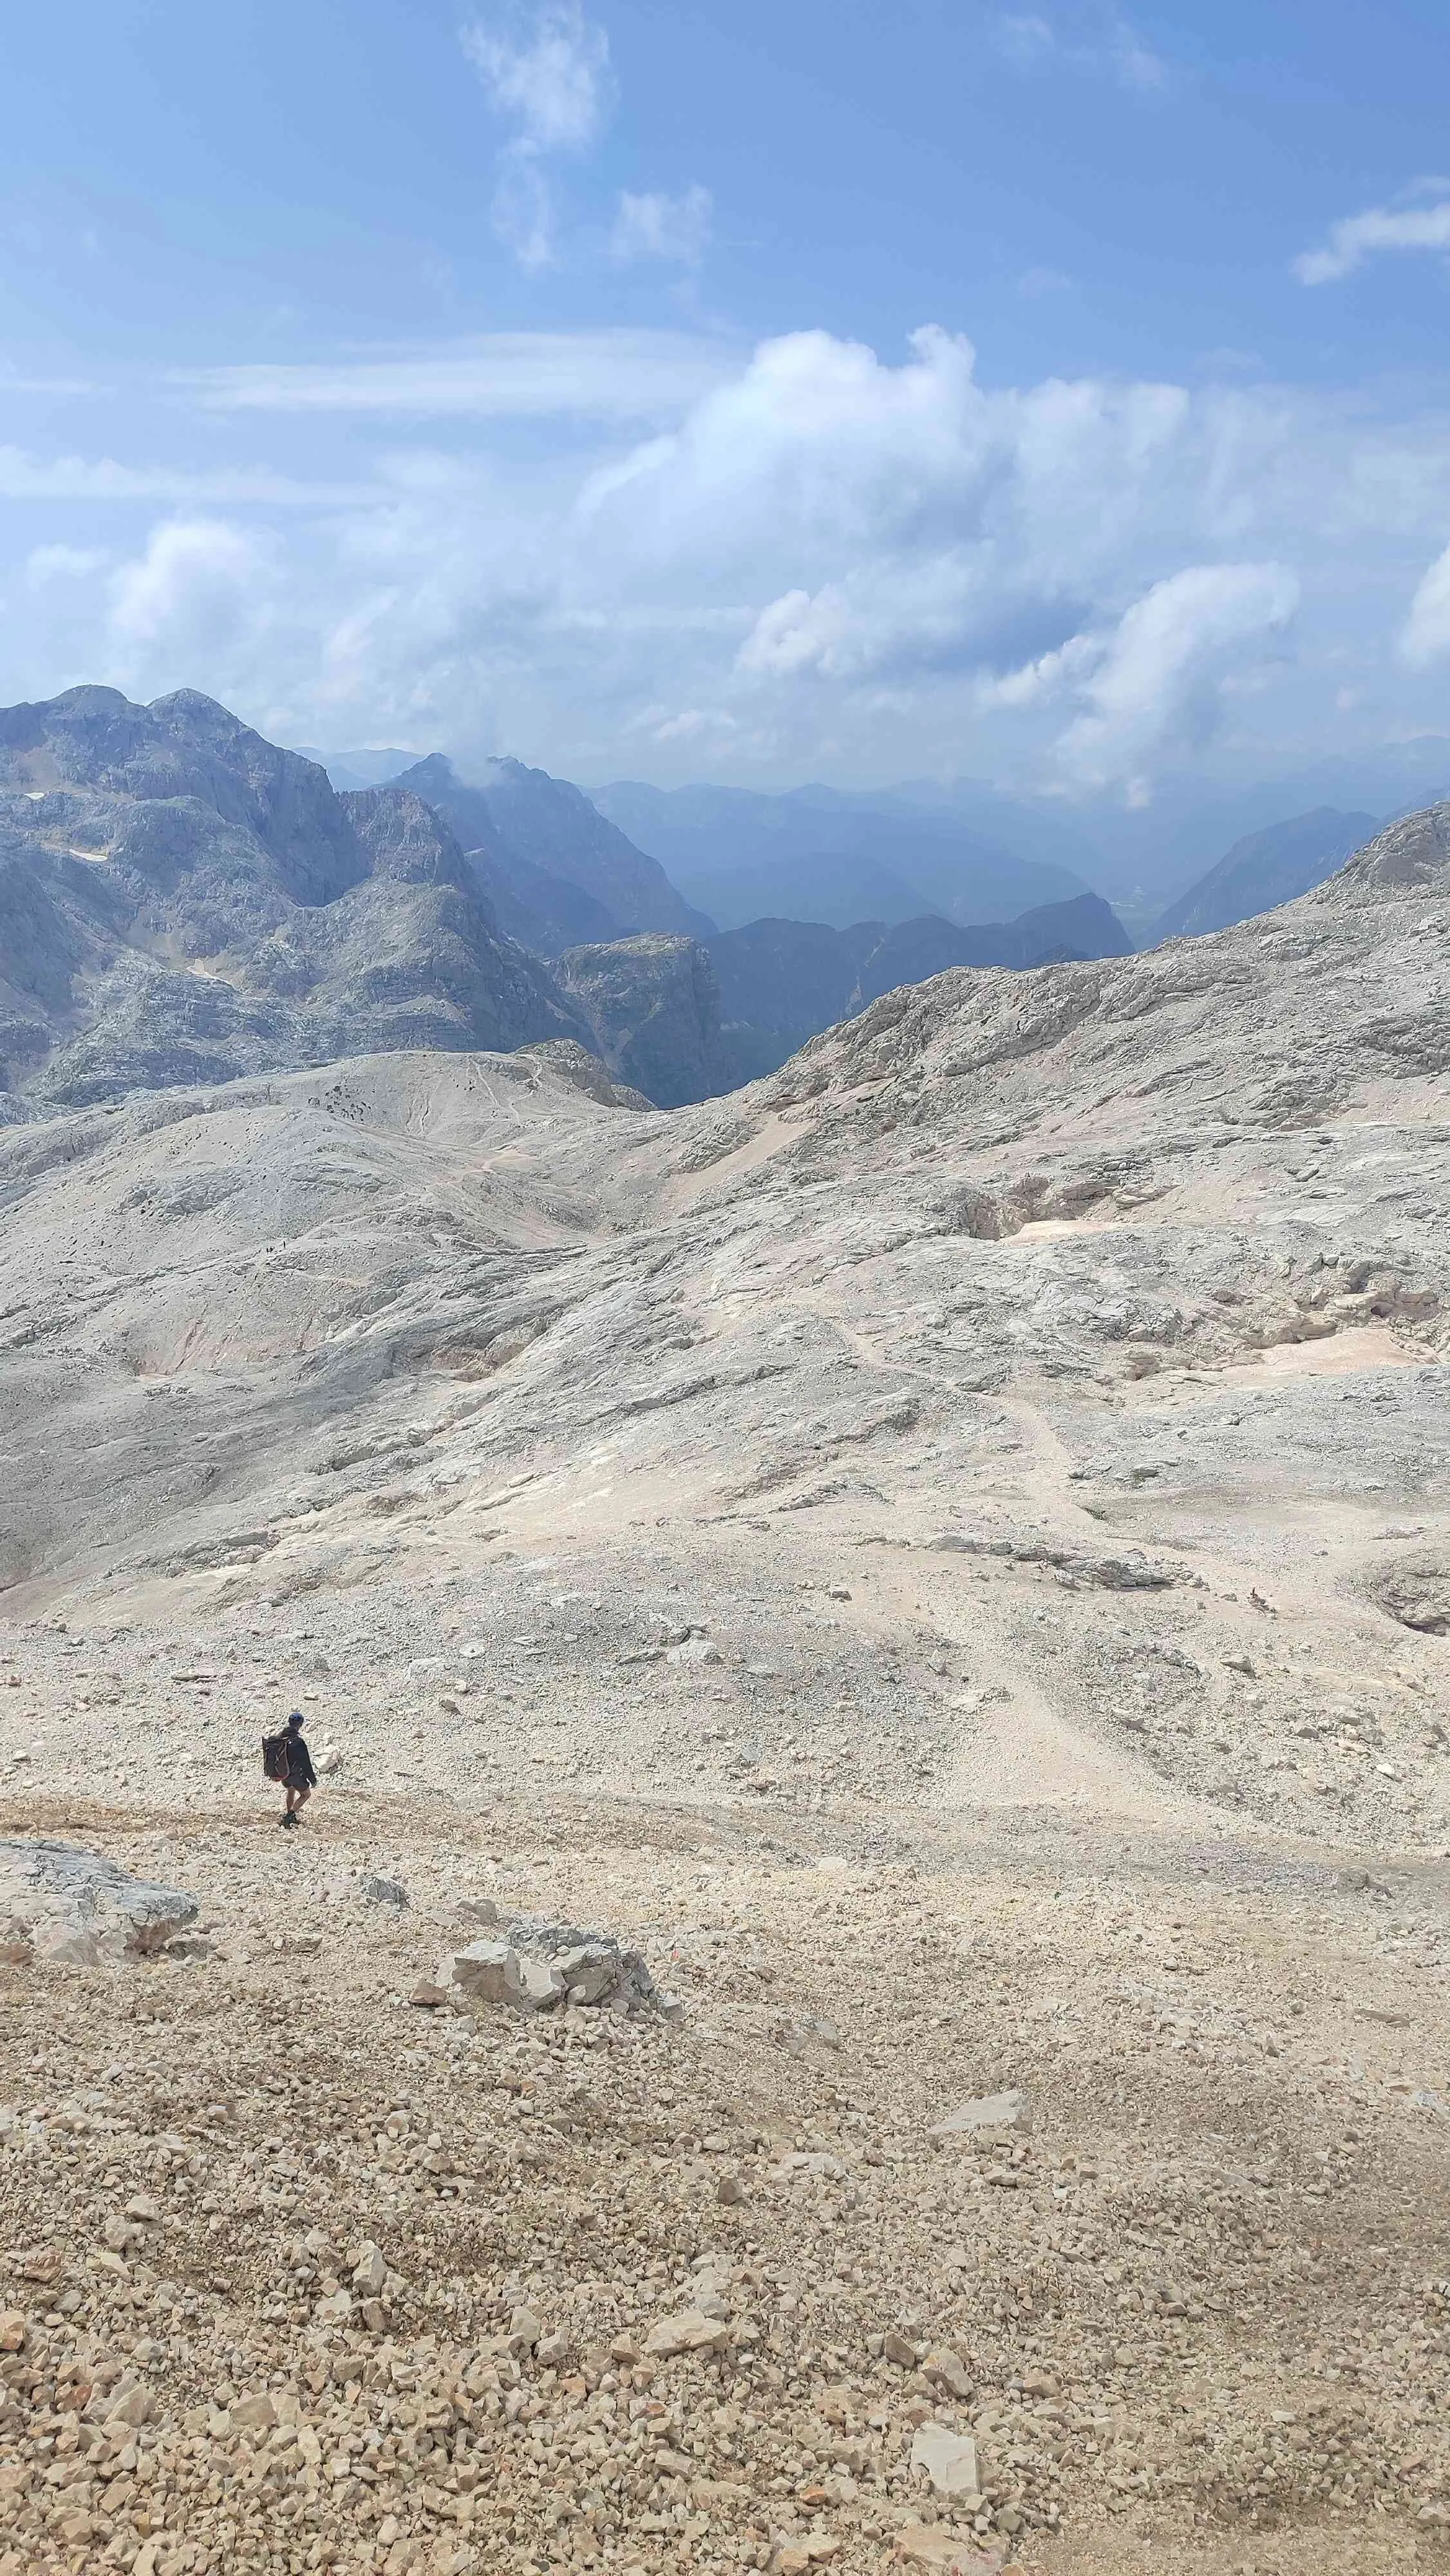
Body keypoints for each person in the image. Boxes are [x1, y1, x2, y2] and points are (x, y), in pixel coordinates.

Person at [280, 1710, 317, 1829]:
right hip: (295, 1774)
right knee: (306, 1794)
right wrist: (312, 1779)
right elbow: (305, 1763)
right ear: (300, 1725)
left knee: (291, 1790)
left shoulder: (280, 1738)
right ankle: (290, 1815)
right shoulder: (298, 1742)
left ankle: (289, 1812)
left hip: (283, 1773)